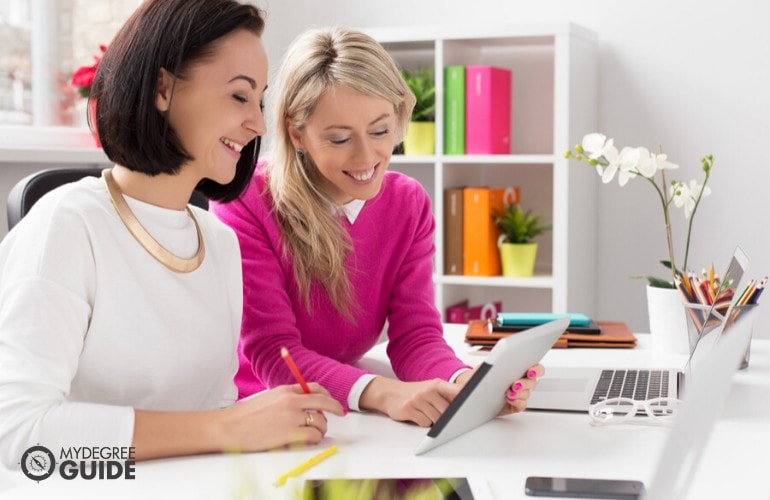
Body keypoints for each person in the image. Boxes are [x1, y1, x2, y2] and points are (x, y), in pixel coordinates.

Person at [0, 0, 343, 473]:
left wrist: (264, 425)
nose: (258, 124)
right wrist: (229, 428)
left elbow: (216, 412)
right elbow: (18, 435)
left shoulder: (217, 242)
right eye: (239, 96)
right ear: (163, 88)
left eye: (260, 101)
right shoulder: (68, 225)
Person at [211, 26, 543, 428]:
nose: (367, 157)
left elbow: (416, 336)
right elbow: (273, 352)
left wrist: (465, 384)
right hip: (260, 410)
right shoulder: (246, 199)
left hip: (349, 406)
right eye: (338, 139)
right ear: (297, 133)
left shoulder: (408, 203)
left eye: (381, 131)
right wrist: (382, 393)